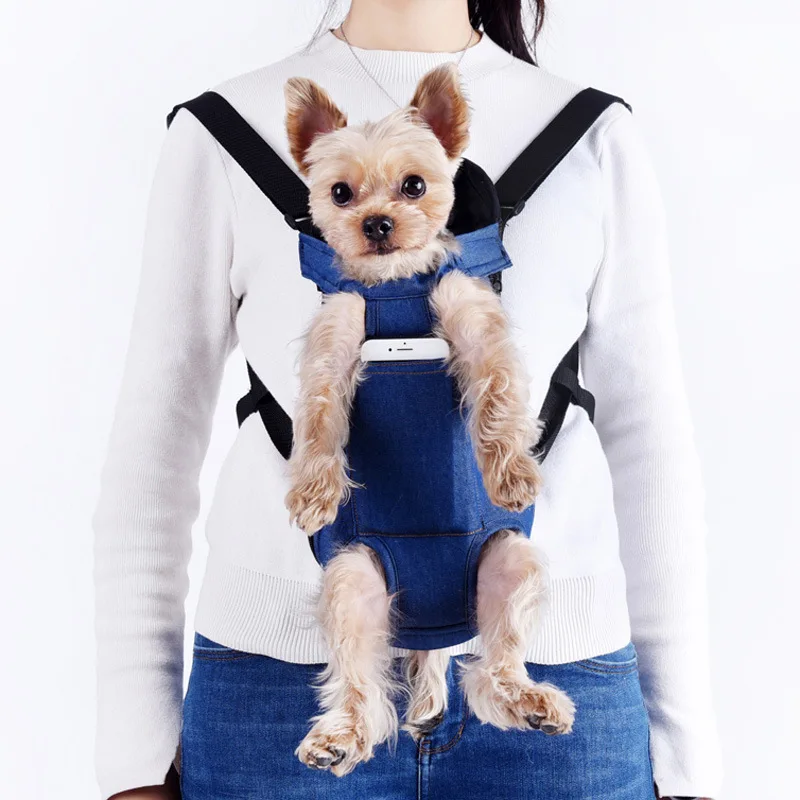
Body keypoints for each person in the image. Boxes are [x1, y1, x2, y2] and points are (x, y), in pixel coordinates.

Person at [93, 1, 722, 798]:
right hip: (280, 691)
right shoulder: (222, 132)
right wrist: (135, 758)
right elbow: (154, 445)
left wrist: (687, 753)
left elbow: (649, 442)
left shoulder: (593, 135)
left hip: (557, 679)